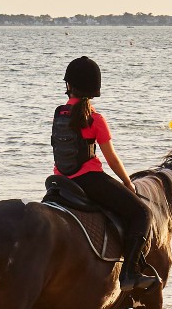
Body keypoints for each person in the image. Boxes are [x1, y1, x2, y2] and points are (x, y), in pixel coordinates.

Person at [51, 57, 158, 292]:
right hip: (88, 180)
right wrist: (128, 182)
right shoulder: (95, 119)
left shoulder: (59, 113)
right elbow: (111, 158)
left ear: (68, 85)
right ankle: (129, 273)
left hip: (59, 183)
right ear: (94, 89)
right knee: (142, 214)